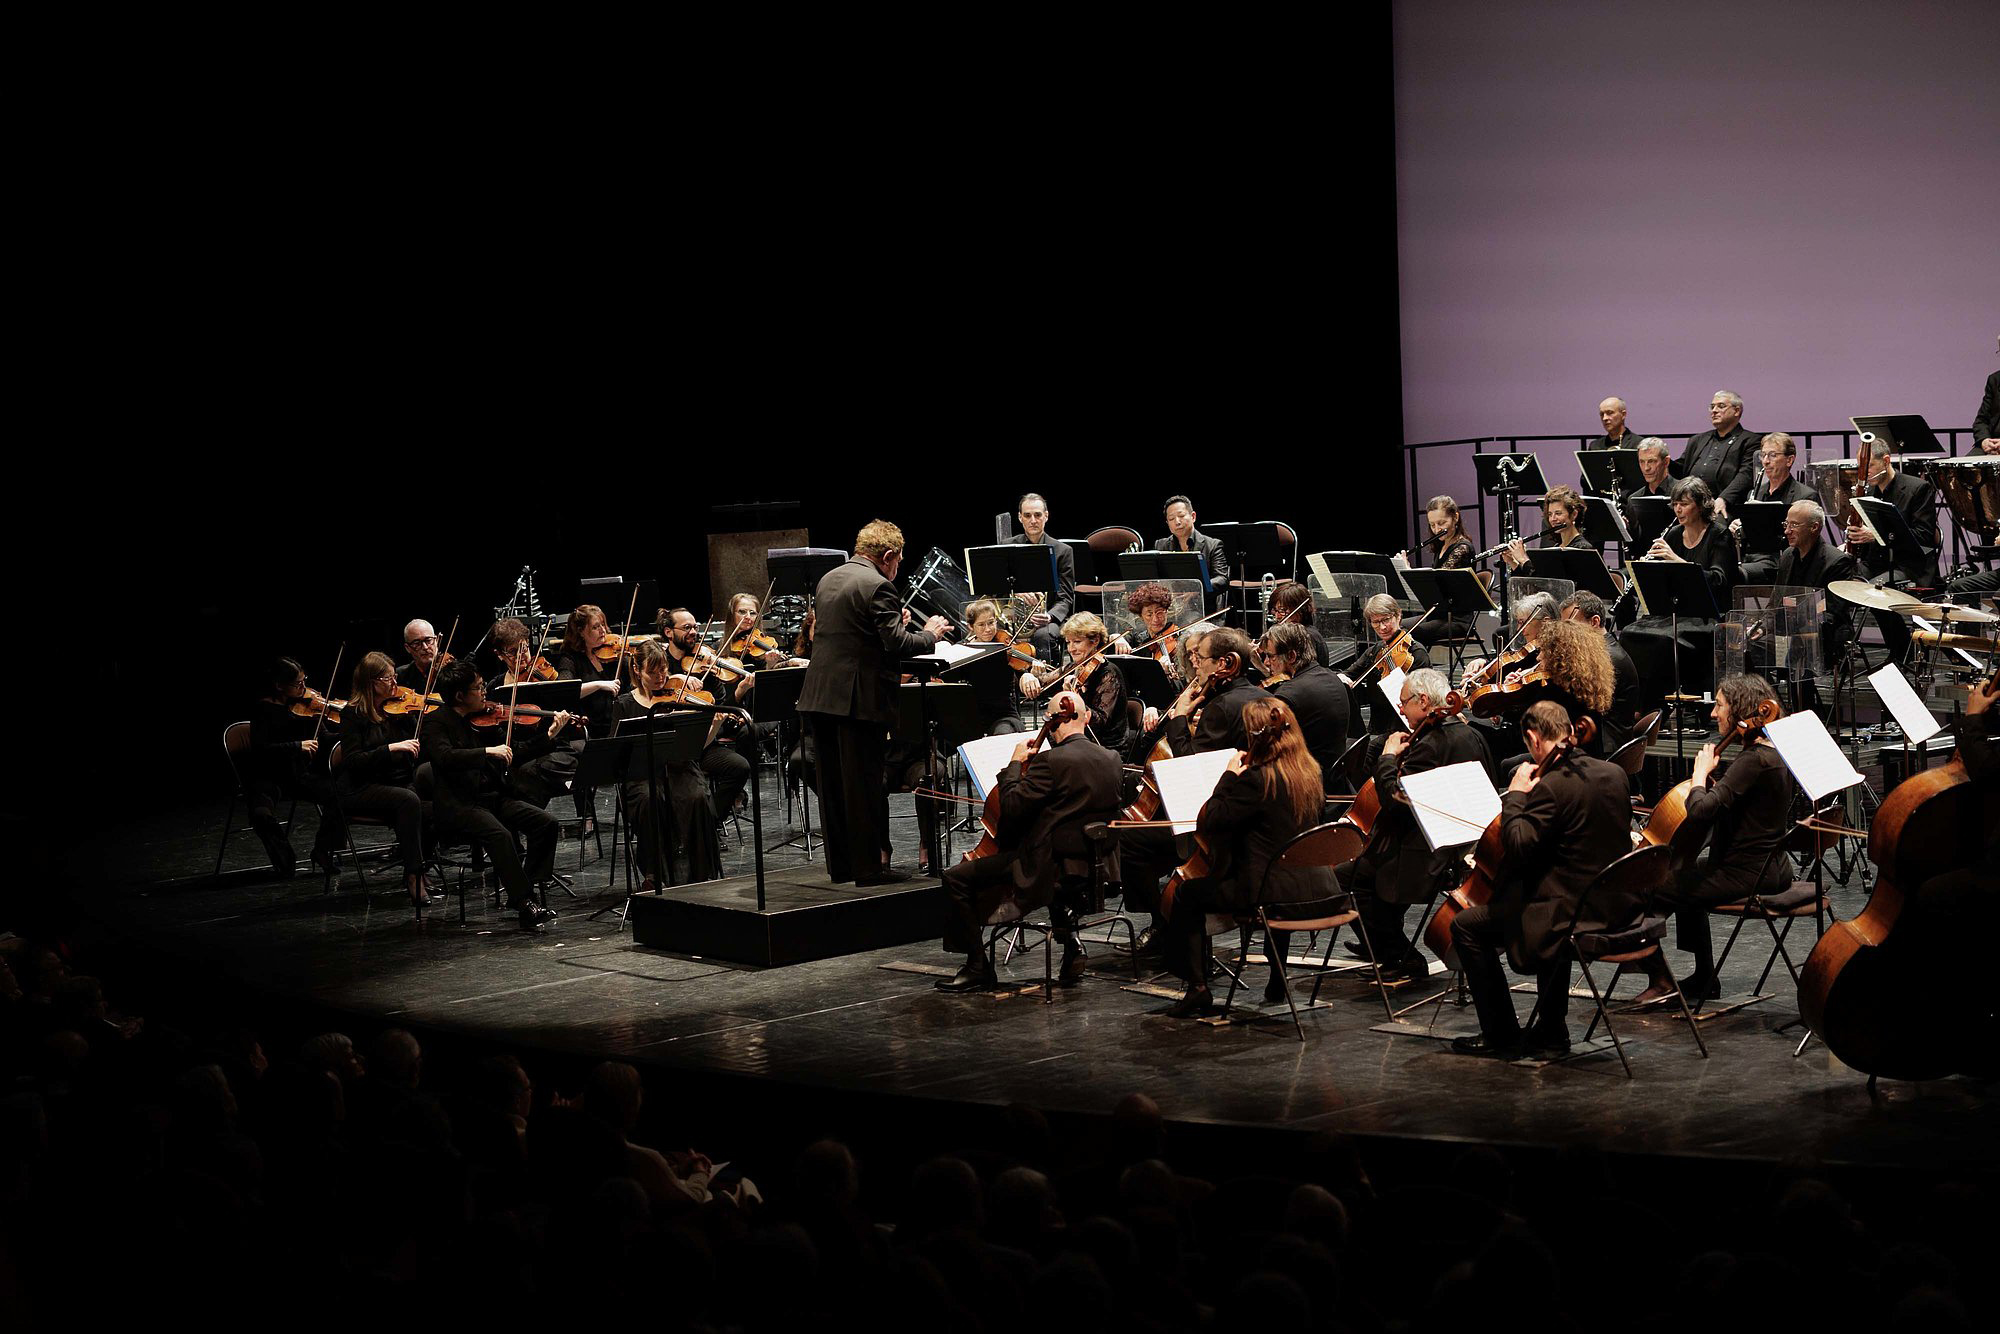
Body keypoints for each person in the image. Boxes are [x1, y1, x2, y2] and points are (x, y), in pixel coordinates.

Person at [1449, 700, 1635, 1058]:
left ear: (1534, 738)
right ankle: (1551, 1028)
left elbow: (1518, 846)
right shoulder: (1614, 774)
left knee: (1466, 926)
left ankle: (1500, 1033)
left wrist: (1517, 796)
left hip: (1570, 917)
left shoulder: (1550, 787)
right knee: (1546, 889)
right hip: (1617, 906)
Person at [1155, 698, 1343, 1018]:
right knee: (1278, 873)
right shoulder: (1310, 772)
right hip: (1320, 890)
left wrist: (1228, 776)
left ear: (1256, 737)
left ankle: (1197, 987)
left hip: (1271, 898)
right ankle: (1277, 979)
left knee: (1186, 894)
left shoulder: (1257, 780)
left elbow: (1213, 819)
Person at [935, 690, 1124, 993]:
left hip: (1046, 870)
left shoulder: (1050, 761)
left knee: (955, 878)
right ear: (1086, 717)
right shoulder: (1112, 758)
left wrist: (1014, 765)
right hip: (1094, 865)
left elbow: (1011, 807)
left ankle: (977, 967)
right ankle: (1071, 942)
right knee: (1054, 849)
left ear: (1053, 721)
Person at [796, 519, 951, 887]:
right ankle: (869, 870)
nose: (897, 569)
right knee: (863, 786)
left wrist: (895, 625)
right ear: (888, 556)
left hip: (819, 695)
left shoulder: (829, 579)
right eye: (898, 561)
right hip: (856, 700)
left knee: (834, 787)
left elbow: (856, 635)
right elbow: (897, 644)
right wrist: (929, 635)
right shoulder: (878, 584)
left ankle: (842, 867)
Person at [1632, 674, 1794, 1004]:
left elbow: (1700, 812)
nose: (1713, 713)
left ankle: (1659, 977)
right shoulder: (1774, 753)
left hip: (1746, 873)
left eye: (1719, 705)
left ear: (1740, 710)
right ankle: (1702, 976)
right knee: (1683, 873)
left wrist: (1699, 774)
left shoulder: (1753, 761)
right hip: (1774, 868)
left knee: (1647, 885)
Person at [1122, 627, 1275, 953]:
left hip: (1217, 824)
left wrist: (1179, 718)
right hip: (1256, 820)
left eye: (1201, 658)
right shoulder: (1265, 697)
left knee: (1129, 840)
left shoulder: (1221, 708)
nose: (1196, 664)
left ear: (1225, 663)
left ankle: (1164, 922)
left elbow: (1190, 766)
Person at [1336, 667, 1488, 979]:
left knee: (1347, 877)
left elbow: (1394, 803)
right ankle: (1386, 943)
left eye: (1404, 702)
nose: (1401, 709)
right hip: (1459, 844)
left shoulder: (1430, 744)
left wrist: (1388, 758)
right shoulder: (1471, 734)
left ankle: (1397, 953)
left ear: (1423, 701)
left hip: (1424, 854)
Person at [421, 660, 560, 930]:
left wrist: (549, 736)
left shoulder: (484, 718)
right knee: (500, 835)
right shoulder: (435, 722)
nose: (484, 691)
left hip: (492, 798)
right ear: (460, 695)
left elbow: (513, 753)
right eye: (478, 687)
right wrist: (486, 752)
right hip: (460, 804)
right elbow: (444, 756)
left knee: (546, 823)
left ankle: (524, 886)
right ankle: (525, 903)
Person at [1620, 476, 1743, 710]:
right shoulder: (1674, 534)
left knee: (1662, 641)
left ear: (1701, 505)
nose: (1678, 509)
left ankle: (1656, 706)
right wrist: (1647, 569)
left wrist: (1676, 560)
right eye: (1675, 503)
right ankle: (1638, 706)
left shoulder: (1719, 535)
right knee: (1631, 632)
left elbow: (1719, 580)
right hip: (1676, 613)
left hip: (1708, 617)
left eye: (1684, 504)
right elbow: (1664, 580)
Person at [614, 641, 723, 887]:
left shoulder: (676, 698)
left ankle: (701, 872)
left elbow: (696, 747)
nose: (660, 677)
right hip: (642, 773)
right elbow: (618, 752)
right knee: (650, 800)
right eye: (652, 672)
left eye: (663, 670)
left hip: (679, 767)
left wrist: (715, 724)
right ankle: (654, 874)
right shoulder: (624, 704)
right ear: (637, 670)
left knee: (697, 796)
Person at [335, 651, 430, 906]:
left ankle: (421, 865)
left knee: (430, 799)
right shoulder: (353, 714)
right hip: (359, 788)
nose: (395, 683)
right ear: (371, 682)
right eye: (388, 678)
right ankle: (414, 874)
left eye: (395, 676)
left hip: (392, 783)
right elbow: (353, 761)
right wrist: (390, 749)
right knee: (409, 800)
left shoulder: (396, 710)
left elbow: (419, 743)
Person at [1841, 432, 1941, 666]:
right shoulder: (1868, 493)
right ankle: (1840, 651)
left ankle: (1902, 650)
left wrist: (1874, 536)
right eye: (1861, 467)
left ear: (1886, 461)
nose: (1863, 473)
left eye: (1869, 466)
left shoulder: (1918, 488)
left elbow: (1924, 537)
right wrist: (1853, 538)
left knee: (1874, 592)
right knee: (1839, 581)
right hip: (1877, 563)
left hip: (1910, 564)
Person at [245, 657, 347, 877]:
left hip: (298, 775)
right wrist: (297, 746)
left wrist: (347, 734)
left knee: (339, 795)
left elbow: (324, 738)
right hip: (269, 777)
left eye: (304, 681)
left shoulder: (305, 707)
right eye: (298, 684)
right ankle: (285, 860)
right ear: (279, 685)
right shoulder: (263, 709)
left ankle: (323, 850)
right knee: (260, 815)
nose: (304, 688)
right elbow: (261, 750)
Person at [487, 618, 588, 820]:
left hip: (555, 749)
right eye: (512, 652)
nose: (522, 656)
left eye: (524, 648)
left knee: (526, 774)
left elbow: (568, 712)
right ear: (499, 655)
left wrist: (560, 723)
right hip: (519, 752)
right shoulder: (495, 689)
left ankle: (525, 822)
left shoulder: (544, 679)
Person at [660, 608, 754, 820]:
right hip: (670, 744)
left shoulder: (707, 670)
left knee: (740, 767)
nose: (694, 632)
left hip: (703, 743)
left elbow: (721, 710)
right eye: (687, 628)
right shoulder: (660, 663)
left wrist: (739, 692)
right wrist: (675, 678)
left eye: (695, 627)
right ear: (668, 632)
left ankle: (711, 820)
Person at [1260, 621, 1350, 798]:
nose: (1266, 662)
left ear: (1291, 656)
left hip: (1308, 785)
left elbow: (1271, 750)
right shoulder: (1330, 676)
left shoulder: (1288, 695)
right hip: (1335, 777)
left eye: (1271, 656)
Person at [1021, 611, 1128, 756]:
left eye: (1077, 642)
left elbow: (1099, 723)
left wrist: (1074, 697)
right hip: (1076, 743)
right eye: (1068, 642)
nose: (1071, 649)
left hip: (1105, 749)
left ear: (1095, 641)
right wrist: (1028, 676)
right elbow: (1042, 683)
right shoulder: (1074, 667)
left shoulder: (1109, 673)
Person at [1772, 500, 1858, 674]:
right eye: (1786, 524)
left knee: (1796, 650)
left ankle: (1802, 690)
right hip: (1790, 630)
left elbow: (1832, 613)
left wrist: (1796, 627)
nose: (1787, 531)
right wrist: (1762, 626)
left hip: (1822, 634)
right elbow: (1776, 601)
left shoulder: (1837, 561)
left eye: (1794, 525)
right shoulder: (1787, 556)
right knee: (1751, 647)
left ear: (1814, 527)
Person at [1559, 591, 1638, 751]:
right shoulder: (1604, 650)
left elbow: (1580, 705)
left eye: (1571, 626)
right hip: (1600, 740)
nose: (1566, 634)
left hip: (1603, 748)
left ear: (1594, 621)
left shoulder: (1607, 659)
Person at [1730, 432, 1813, 582]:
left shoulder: (1805, 496)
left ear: (1789, 460)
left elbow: (1804, 541)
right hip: (1750, 556)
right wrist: (1739, 527)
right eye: (1763, 455)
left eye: (1773, 455)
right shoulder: (1754, 493)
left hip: (1780, 559)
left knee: (1733, 573)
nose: (1765, 461)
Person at [1349, 593, 1431, 739]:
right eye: (1375, 622)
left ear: (1398, 616)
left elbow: (1423, 699)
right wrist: (1343, 678)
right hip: (1377, 728)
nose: (1382, 627)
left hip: (1405, 729)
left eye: (1386, 620)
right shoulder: (1376, 650)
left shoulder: (1416, 653)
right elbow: (1349, 673)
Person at [1006, 493, 1077, 661]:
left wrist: (1050, 616)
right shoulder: (1006, 547)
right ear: (1020, 517)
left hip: (1047, 619)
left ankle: (1047, 674)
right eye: (1027, 515)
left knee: (1043, 636)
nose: (1033, 520)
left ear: (1046, 516)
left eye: (1037, 515)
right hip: (1012, 617)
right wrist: (1015, 592)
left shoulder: (1063, 551)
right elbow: (995, 588)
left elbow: (1065, 597)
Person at [1673, 390, 1762, 517]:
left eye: (1721, 406)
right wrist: (1664, 461)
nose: (1714, 411)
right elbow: (1681, 470)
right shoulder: (1697, 440)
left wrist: (1724, 499)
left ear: (1737, 411)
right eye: (1712, 406)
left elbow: (1746, 475)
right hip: (1691, 506)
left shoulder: (1750, 441)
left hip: (1726, 506)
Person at [1409, 496, 1479, 648]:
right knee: (1395, 627)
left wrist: (1408, 570)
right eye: (1432, 525)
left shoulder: (1462, 548)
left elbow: (1439, 583)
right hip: (1439, 615)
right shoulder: (1441, 546)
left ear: (1455, 517)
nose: (1436, 530)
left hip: (1457, 620)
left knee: (1409, 633)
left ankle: (1417, 663)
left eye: (1441, 523)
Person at [1154, 494, 1231, 614]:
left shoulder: (1213, 545)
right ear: (1167, 523)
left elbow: (1222, 579)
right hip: (1169, 609)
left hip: (1202, 608)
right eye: (1171, 519)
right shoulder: (1160, 545)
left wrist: (1197, 588)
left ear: (1193, 516)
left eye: (1181, 516)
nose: (1177, 522)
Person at [1110, 581, 1194, 685]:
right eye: (1149, 615)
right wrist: (1116, 637)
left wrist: (1163, 673)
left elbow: (1184, 683)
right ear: (1141, 616)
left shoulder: (1181, 638)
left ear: (1166, 611)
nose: (1155, 619)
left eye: (1160, 613)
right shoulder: (1138, 638)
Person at [961, 598, 1025, 733]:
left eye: (991, 623)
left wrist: (1029, 675)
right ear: (970, 627)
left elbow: (1022, 671)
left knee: (1003, 734)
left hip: (1004, 716)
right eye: (981, 625)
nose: (988, 629)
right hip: (972, 715)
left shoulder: (1005, 648)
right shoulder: (962, 650)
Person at [1499, 485, 1595, 570]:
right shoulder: (1557, 547)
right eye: (1550, 514)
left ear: (1574, 514)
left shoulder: (1583, 549)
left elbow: (1551, 581)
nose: (1553, 519)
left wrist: (1523, 559)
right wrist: (1512, 561)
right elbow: (1532, 580)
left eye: (1558, 513)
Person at [1264, 580, 1331, 667]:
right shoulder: (1293, 633)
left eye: (1282, 610)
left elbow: (1293, 674)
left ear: (1301, 609)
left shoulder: (1306, 636)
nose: (1277, 616)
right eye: (1275, 610)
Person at [397, 619, 447, 691]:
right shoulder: (400, 676)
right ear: (407, 648)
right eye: (417, 643)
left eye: (428, 640)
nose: (425, 647)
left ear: (436, 640)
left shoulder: (452, 671)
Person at [1975, 332, 1999, 456]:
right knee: (1968, 464)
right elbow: (1981, 420)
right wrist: (1984, 440)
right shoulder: (1994, 380)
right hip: (1992, 445)